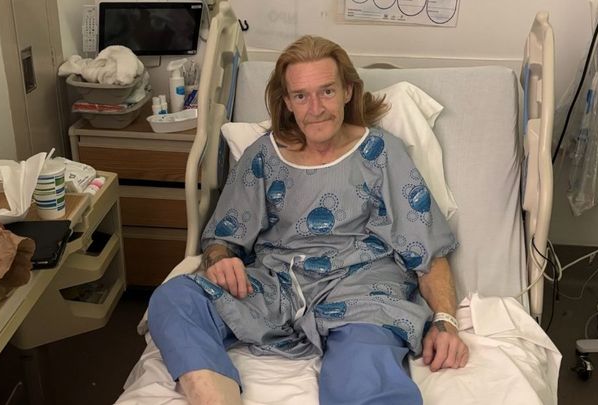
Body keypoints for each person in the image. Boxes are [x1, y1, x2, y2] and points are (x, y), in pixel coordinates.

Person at [148, 35, 469, 405]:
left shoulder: (381, 154)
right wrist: (220, 260)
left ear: (348, 91)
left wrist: (445, 321)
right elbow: (223, 238)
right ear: (287, 102)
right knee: (175, 297)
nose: (315, 109)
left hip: (363, 293)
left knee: (363, 374)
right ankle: (214, 399)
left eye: (327, 91)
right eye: (301, 96)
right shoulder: (264, 156)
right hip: (277, 287)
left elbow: (428, 251)